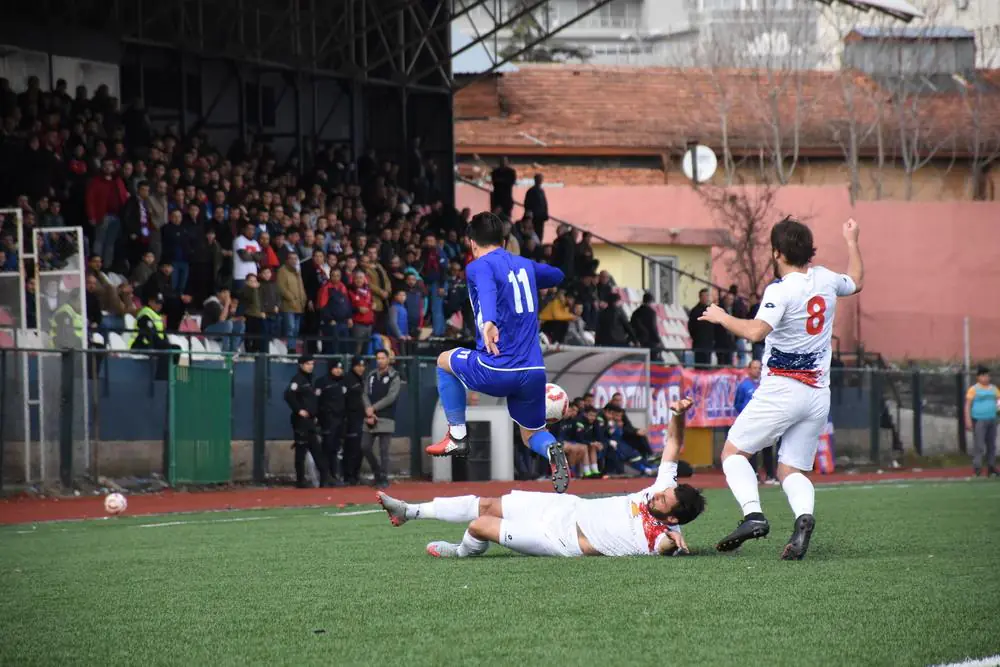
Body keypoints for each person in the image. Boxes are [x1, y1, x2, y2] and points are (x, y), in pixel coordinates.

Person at [698, 216, 863, 560]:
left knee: (733, 454)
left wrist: (721, 317)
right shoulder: (827, 279)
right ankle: (803, 518)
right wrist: (851, 240)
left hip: (782, 389)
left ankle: (753, 515)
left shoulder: (780, 289)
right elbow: (857, 281)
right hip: (818, 394)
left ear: (776, 252)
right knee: (791, 469)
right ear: (808, 250)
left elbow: (757, 332)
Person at [377, 398, 705, 558]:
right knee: (488, 503)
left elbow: (665, 546)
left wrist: (674, 547)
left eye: (662, 501)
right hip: (565, 506)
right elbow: (674, 445)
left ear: (673, 517)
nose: (655, 495)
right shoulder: (664, 489)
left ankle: (460, 552)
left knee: (479, 527)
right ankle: (408, 512)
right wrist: (678, 414)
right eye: (663, 492)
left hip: (557, 539)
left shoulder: (658, 535)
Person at [424, 212, 571, 493]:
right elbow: (557, 275)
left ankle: (457, 435)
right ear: (504, 240)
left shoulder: (477, 266)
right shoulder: (524, 264)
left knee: (444, 361)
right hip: (533, 372)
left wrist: (489, 320)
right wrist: (525, 270)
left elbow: (488, 291)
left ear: (471, 242)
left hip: (499, 367)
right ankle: (552, 448)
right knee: (531, 435)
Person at [283, 354, 329, 488]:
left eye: (312, 364)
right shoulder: (297, 380)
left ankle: (324, 479)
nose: (310, 366)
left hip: (310, 421)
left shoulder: (310, 380)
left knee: (316, 450)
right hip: (301, 422)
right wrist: (299, 410)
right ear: (301, 365)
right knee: (301, 451)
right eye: (308, 364)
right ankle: (300, 480)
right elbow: (288, 395)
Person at [361, 349, 401, 488]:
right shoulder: (371, 375)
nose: (380, 360)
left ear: (388, 359)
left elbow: (391, 397)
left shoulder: (394, 376)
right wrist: (368, 410)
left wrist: (374, 408)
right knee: (365, 446)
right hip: (370, 417)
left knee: (384, 450)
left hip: (386, 417)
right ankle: (377, 472)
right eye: (378, 358)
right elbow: (365, 393)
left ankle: (383, 478)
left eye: (383, 358)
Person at [736, 359, 777, 484]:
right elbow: (737, 403)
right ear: (749, 369)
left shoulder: (765, 384)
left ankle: (770, 475)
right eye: (754, 368)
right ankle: (754, 475)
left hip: (765, 421)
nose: (757, 370)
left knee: (767, 448)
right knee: (751, 449)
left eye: (759, 368)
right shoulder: (743, 385)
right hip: (751, 422)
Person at [316, 359, 347, 485]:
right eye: (336, 368)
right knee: (326, 448)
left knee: (336, 449)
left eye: (340, 368)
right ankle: (325, 477)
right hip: (327, 420)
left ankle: (334, 475)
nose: (338, 370)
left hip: (340, 420)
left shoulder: (343, 382)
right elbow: (317, 401)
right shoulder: (322, 382)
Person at [965, 366, 998, 477]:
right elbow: (968, 405)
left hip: (992, 419)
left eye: (987, 375)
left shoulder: (994, 389)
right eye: (983, 376)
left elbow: (998, 401)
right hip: (979, 419)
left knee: (991, 445)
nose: (986, 378)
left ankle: (991, 467)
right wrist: (968, 419)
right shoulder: (974, 389)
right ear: (978, 377)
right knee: (979, 444)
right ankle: (977, 467)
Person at [342, 356, 367, 485]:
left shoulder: (362, 379)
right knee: (351, 448)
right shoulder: (348, 379)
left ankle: (355, 475)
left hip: (361, 417)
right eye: (358, 366)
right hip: (351, 418)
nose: (361, 368)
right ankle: (348, 475)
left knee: (360, 448)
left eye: (362, 366)